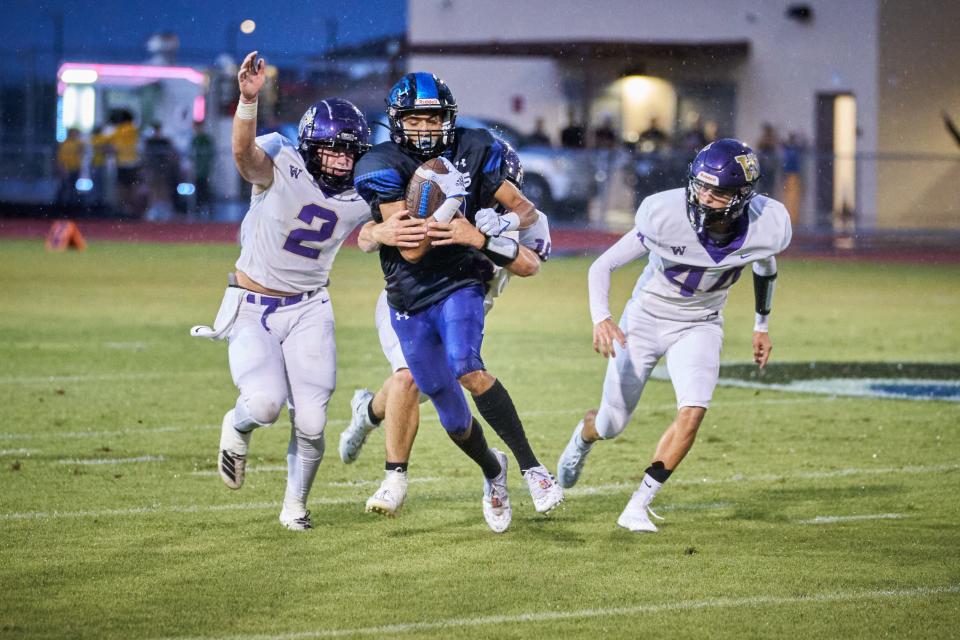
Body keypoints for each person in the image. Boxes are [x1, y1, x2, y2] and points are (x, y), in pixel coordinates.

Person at [352, 72, 563, 533]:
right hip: (408, 296)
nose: (426, 129)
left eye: (434, 119)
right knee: (451, 418)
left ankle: (533, 469)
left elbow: (528, 256)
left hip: (463, 284)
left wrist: (489, 231)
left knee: (467, 364)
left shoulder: (477, 152)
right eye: (416, 120)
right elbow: (409, 249)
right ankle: (494, 470)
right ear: (398, 122)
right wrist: (431, 215)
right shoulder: (382, 164)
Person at [556, 138, 792, 533]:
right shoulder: (665, 213)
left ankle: (637, 505)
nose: (704, 196)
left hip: (701, 323)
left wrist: (761, 325)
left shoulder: (767, 225)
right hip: (644, 321)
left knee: (694, 410)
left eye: (717, 192)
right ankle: (584, 435)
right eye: (700, 185)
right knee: (612, 423)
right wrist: (602, 317)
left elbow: (765, 267)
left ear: (742, 195)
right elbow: (603, 265)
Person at [193, 51, 373, 531]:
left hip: (311, 307)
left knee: (312, 422)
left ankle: (295, 506)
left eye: (349, 150)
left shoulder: (365, 191)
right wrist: (247, 102)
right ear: (312, 145)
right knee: (265, 404)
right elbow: (244, 158)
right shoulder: (281, 158)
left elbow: (392, 220)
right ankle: (236, 425)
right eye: (333, 148)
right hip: (252, 305)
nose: (341, 159)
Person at [102, 109, 141, 217]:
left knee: (122, 188)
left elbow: (106, 142)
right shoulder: (134, 129)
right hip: (134, 162)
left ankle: (124, 210)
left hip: (123, 163)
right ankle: (133, 210)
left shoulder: (119, 130)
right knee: (133, 187)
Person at [143, 122, 180, 221]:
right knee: (154, 188)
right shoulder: (150, 141)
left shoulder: (165, 141)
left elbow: (172, 153)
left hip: (164, 168)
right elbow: (145, 155)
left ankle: (165, 208)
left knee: (164, 188)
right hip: (153, 168)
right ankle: (154, 209)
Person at [190, 121, 216, 215]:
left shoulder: (206, 139)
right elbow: (191, 153)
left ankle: (207, 207)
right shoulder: (195, 139)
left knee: (206, 188)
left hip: (205, 169)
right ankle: (198, 207)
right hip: (197, 169)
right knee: (198, 189)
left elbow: (210, 152)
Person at [56, 128, 85, 206]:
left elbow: (81, 155)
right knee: (64, 186)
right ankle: (61, 205)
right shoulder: (64, 143)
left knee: (72, 187)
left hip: (75, 168)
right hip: (65, 168)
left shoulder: (79, 143)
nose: (73, 135)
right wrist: (61, 167)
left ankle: (72, 205)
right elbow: (60, 157)